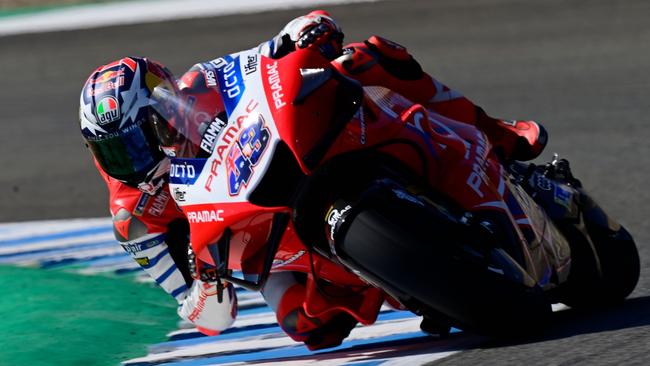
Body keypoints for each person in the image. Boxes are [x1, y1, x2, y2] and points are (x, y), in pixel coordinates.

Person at [79, 10, 547, 349]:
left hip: (296, 157)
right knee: (306, 328)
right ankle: (399, 274)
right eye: (114, 151)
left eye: (136, 142)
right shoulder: (134, 218)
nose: (131, 161)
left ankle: (495, 133)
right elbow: (205, 316)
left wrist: (303, 32)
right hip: (267, 244)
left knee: (365, 58)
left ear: (164, 104)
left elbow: (270, 53)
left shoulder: (202, 82)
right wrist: (206, 283)